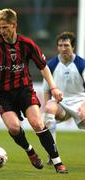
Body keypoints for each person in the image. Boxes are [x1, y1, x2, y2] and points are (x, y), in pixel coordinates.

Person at [0, 8, 68, 173]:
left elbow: (43, 66)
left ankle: (57, 162)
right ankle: (29, 151)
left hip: (24, 90)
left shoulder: (27, 44)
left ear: (14, 25)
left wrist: (53, 87)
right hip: (3, 94)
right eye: (0, 27)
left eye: (5, 27)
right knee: (14, 128)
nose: (2, 31)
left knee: (38, 123)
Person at [43, 31, 85, 165]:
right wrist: (44, 110)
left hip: (80, 102)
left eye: (66, 45)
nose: (63, 48)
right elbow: (46, 90)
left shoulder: (81, 64)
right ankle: (52, 154)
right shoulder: (51, 65)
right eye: (60, 45)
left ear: (73, 47)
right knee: (49, 108)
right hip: (61, 104)